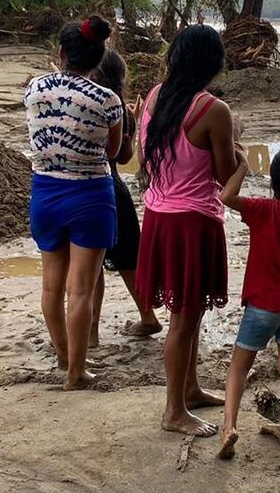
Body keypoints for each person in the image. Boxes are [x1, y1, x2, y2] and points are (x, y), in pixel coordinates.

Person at [136, 24, 245, 437]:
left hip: (159, 216)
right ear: (214, 63)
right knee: (184, 318)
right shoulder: (213, 110)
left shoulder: (153, 95)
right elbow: (223, 174)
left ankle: (191, 389)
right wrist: (240, 151)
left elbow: (146, 156)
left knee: (189, 314)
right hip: (193, 222)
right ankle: (173, 411)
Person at [24, 15, 122, 391]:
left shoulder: (34, 89)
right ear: (98, 59)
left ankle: (63, 354)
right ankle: (76, 372)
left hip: (45, 192)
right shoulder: (107, 100)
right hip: (91, 196)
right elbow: (112, 152)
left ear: (62, 53)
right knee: (81, 289)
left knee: (51, 286)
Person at [217, 147, 280, 459]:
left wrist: (243, 166)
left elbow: (226, 197)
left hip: (262, 306)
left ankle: (229, 427)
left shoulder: (263, 211)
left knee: (238, 368)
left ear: (272, 183)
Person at [88, 49, 162, 345]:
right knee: (129, 262)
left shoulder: (90, 103)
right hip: (115, 189)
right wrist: (131, 123)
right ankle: (148, 316)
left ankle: (91, 332)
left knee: (91, 266)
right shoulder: (119, 108)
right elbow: (124, 155)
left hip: (92, 189)